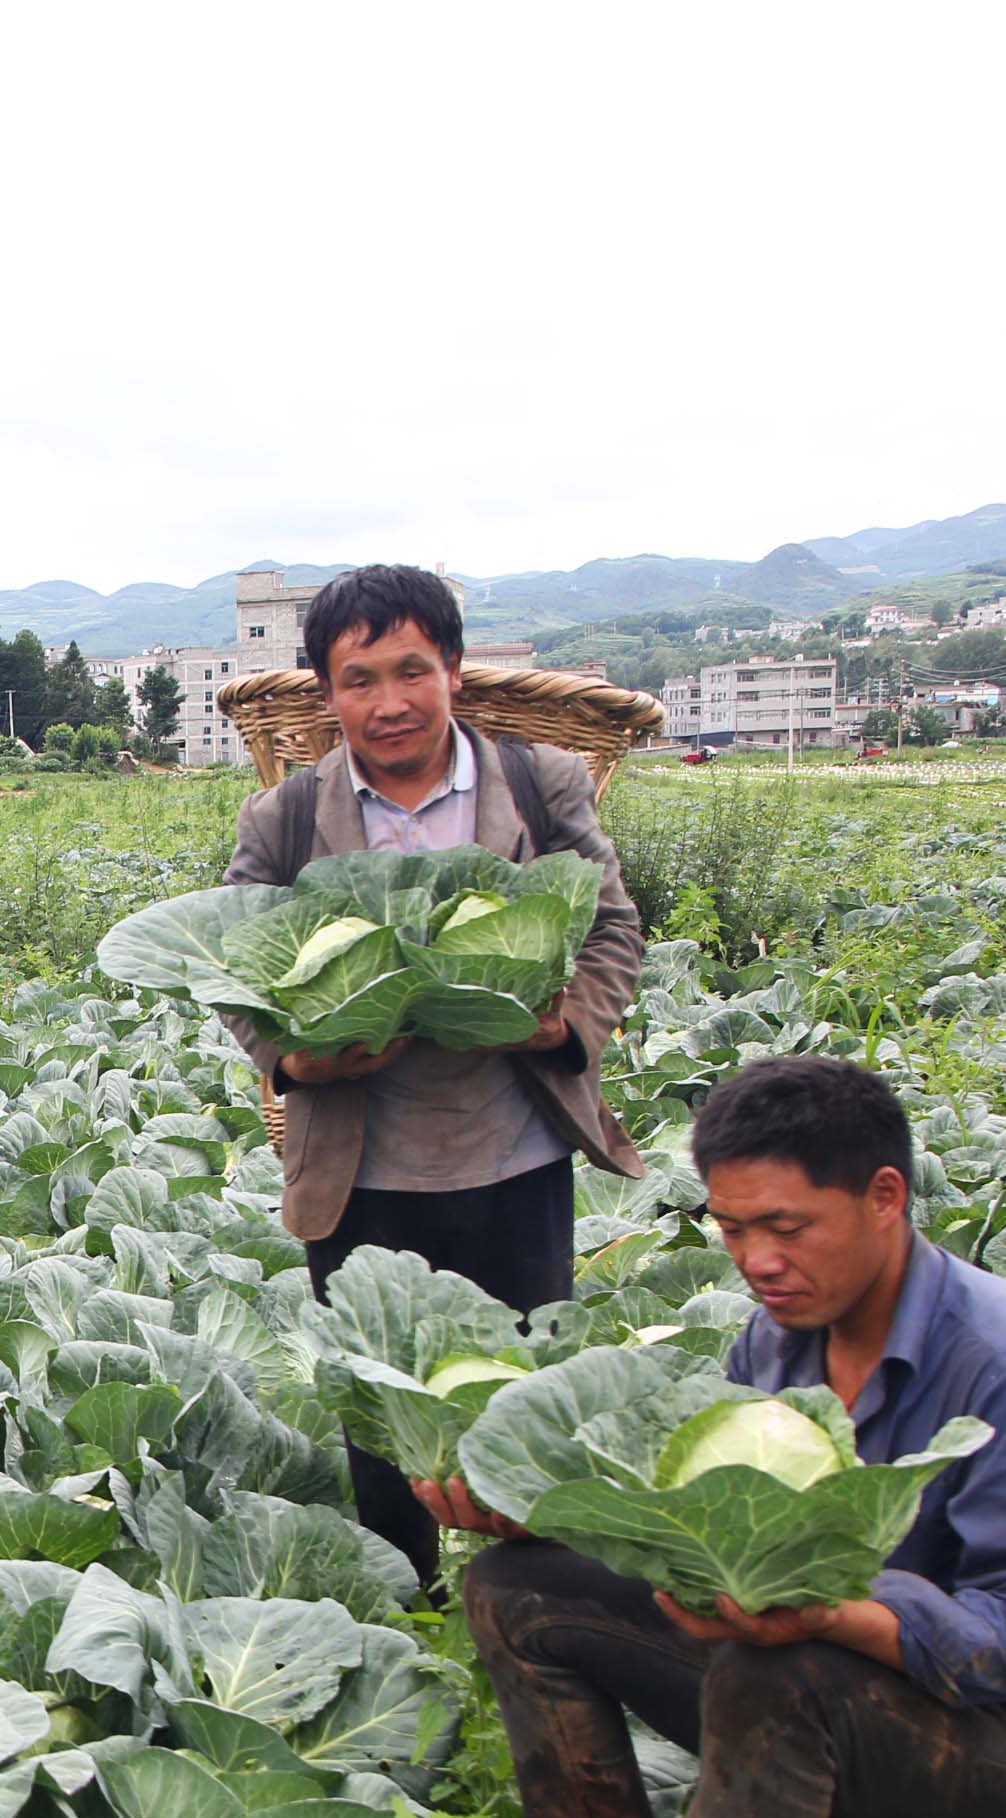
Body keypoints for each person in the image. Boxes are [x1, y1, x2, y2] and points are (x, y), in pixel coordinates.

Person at [425, 1056, 1006, 1818]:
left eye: (787, 1228)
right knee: (517, 1588)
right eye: (731, 1229)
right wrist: (555, 1517)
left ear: (884, 1197)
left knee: (780, 1672)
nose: (757, 1261)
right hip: (803, 1667)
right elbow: (710, 1534)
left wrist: (833, 1615)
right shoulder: (772, 1343)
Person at [229, 565, 647, 1593]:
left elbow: (613, 931)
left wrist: (559, 1021)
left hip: (513, 1150)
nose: (389, 702)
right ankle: (408, 1614)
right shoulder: (283, 818)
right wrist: (303, 1055)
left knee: (527, 1410)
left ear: (454, 671)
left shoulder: (539, 787)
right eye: (359, 677)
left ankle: (538, 1628)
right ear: (327, 694)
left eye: (412, 669)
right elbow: (230, 970)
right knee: (383, 1428)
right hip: (360, 1170)